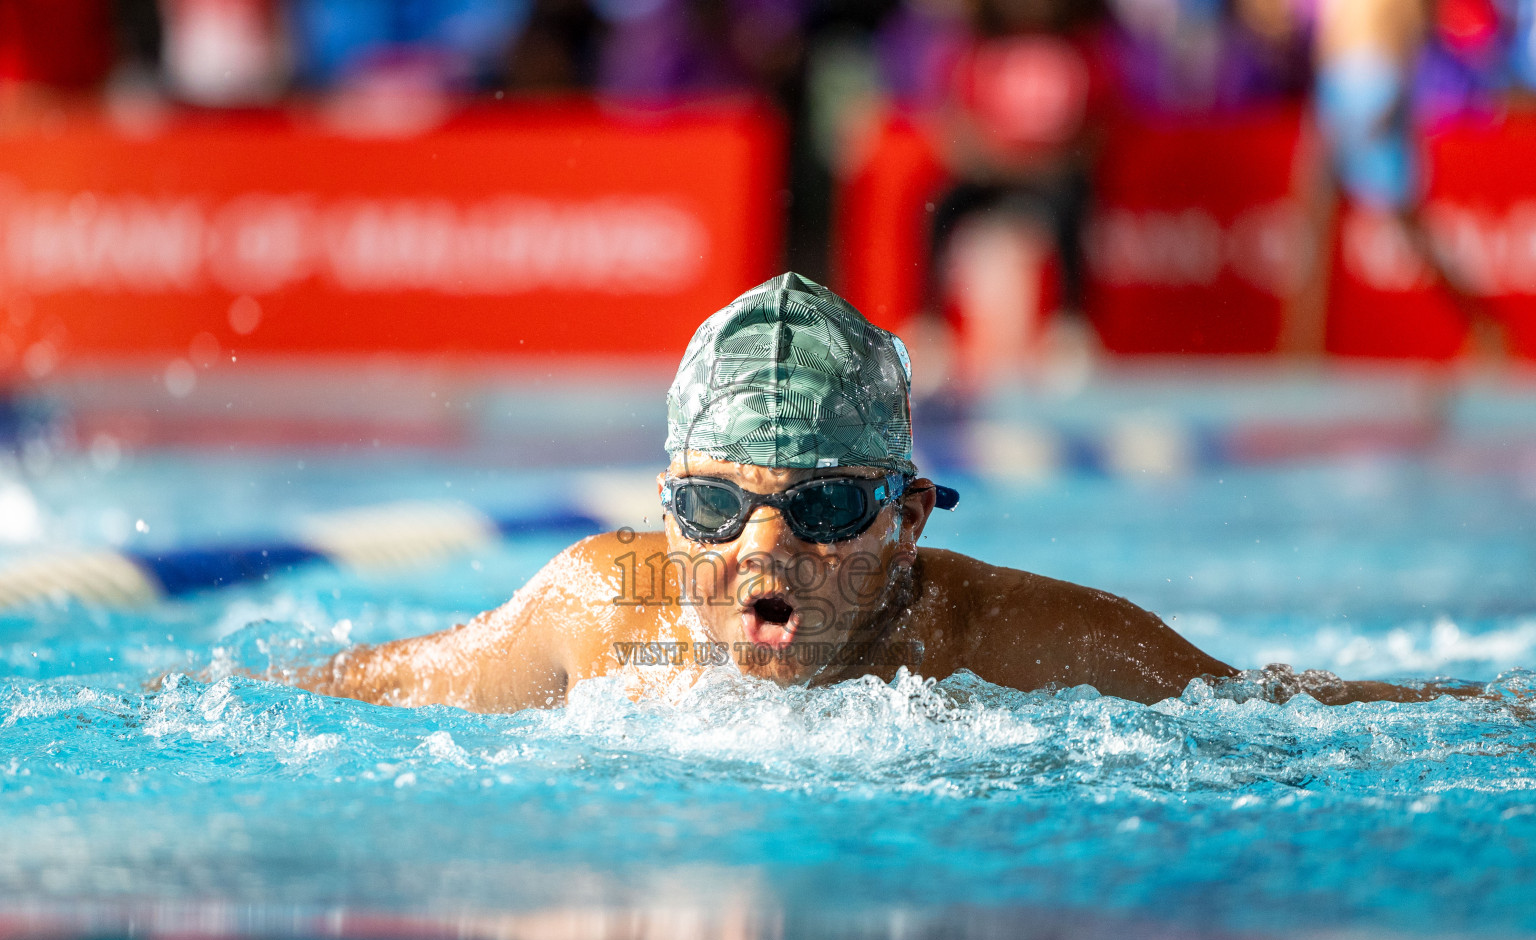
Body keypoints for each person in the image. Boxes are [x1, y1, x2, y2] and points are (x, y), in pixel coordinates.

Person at [301, 273, 1432, 711]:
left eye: (824, 506)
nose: (762, 544)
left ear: (906, 519)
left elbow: (1283, 716)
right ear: (664, 508)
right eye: (711, 507)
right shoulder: (599, 617)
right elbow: (346, 691)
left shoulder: (1021, 644)